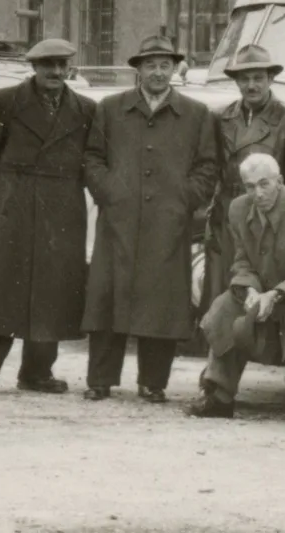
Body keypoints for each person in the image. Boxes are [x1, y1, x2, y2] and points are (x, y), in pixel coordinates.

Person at [82, 33, 222, 402]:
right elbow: (92, 159)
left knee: (161, 303)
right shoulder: (110, 108)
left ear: (175, 70)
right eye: (150, 65)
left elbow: (208, 167)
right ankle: (100, 380)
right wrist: (111, 192)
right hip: (118, 220)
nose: (158, 73)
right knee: (107, 297)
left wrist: (182, 201)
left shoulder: (196, 114)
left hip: (168, 223)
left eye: (165, 65)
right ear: (138, 70)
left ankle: (153, 382)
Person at [0, 38, 96, 397]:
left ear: (70, 68)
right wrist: (3, 197)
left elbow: (89, 161)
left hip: (62, 207)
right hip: (12, 202)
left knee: (53, 290)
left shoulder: (85, 109)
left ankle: (36, 373)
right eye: (47, 64)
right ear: (33, 67)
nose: (55, 72)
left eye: (62, 65)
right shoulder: (4, 102)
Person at [192, 151, 285, 418]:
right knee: (224, 306)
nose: (258, 193)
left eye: (264, 183)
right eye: (250, 186)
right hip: (259, 288)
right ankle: (220, 394)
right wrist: (251, 290)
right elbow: (242, 262)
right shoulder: (238, 208)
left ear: (280, 180)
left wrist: (276, 295)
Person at [202, 42, 285, 309]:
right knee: (225, 296)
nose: (251, 85)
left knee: (262, 297)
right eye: (244, 78)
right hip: (227, 219)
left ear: (270, 79)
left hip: (268, 220)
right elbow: (211, 171)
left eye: (258, 78)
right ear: (236, 81)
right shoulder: (220, 117)